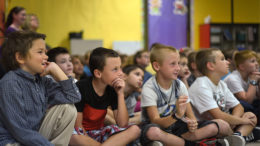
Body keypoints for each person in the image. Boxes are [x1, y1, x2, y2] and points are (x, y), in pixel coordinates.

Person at [0, 31, 81, 145]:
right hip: (12, 141)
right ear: (20, 57)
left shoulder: (41, 80)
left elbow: (74, 97)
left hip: (33, 138)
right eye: (40, 52)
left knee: (68, 109)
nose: (46, 57)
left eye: (45, 52)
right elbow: (20, 131)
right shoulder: (10, 83)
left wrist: (57, 71)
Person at [141, 45, 232, 146]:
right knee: (153, 132)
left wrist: (192, 124)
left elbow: (191, 116)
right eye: (172, 64)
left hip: (177, 128)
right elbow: (155, 121)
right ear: (157, 66)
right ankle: (194, 144)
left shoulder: (179, 85)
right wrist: (176, 116)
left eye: (178, 63)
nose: (178, 68)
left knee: (218, 125)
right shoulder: (149, 88)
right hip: (159, 128)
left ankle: (173, 143)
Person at [69, 47, 140, 146]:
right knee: (73, 135)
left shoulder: (113, 89)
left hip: (99, 133)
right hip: (82, 135)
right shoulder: (81, 87)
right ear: (98, 73)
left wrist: (120, 93)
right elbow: (78, 126)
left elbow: (122, 124)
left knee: (135, 129)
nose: (121, 73)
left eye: (120, 68)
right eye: (115, 69)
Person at [189, 48, 257, 146]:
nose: (227, 62)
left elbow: (238, 107)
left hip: (224, 123)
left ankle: (237, 136)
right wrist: (241, 121)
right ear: (210, 65)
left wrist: (234, 120)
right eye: (222, 59)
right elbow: (218, 115)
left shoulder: (221, 84)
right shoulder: (201, 85)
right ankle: (242, 135)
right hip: (204, 126)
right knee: (221, 124)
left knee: (251, 115)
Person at [224, 50, 260, 126]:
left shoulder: (251, 75)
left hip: (251, 107)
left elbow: (258, 96)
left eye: (256, 61)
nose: (257, 64)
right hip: (234, 109)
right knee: (245, 105)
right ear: (242, 66)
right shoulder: (232, 78)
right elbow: (247, 101)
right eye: (252, 61)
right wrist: (253, 81)